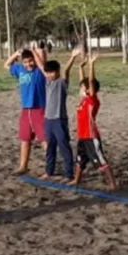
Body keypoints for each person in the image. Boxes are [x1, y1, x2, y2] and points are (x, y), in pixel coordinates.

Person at [68, 53, 118, 189]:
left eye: (83, 88)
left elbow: (90, 81)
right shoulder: (84, 100)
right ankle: (76, 180)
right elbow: (83, 81)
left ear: (90, 90)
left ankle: (113, 183)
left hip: (91, 136)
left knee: (101, 160)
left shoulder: (92, 100)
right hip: (82, 137)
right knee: (79, 159)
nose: (80, 89)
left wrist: (92, 64)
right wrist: (80, 67)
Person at [32, 46, 81, 182]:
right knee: (50, 147)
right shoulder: (48, 82)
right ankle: (49, 171)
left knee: (64, 146)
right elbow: (41, 66)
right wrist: (33, 52)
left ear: (57, 71)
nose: (48, 75)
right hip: (48, 120)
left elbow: (67, 70)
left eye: (51, 72)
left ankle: (68, 174)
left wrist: (73, 56)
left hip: (59, 120)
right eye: (47, 73)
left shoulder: (62, 83)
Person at [4, 48, 48, 176]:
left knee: (44, 139)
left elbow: (42, 56)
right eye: (25, 62)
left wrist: (34, 52)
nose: (28, 64)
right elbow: (6, 65)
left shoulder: (40, 71)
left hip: (39, 109)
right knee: (25, 139)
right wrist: (16, 54)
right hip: (25, 110)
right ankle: (23, 166)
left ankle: (49, 168)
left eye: (31, 61)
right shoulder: (19, 69)